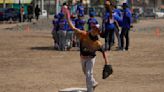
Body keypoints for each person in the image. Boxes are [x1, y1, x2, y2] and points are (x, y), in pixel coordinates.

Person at [63, 6, 113, 92]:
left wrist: (107, 63)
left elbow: (104, 53)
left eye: (96, 29)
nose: (94, 29)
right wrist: (68, 19)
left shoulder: (98, 43)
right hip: (82, 57)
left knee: (89, 74)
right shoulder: (84, 34)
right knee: (86, 73)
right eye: (93, 27)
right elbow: (73, 28)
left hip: (90, 58)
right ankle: (93, 83)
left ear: (98, 32)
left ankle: (90, 90)